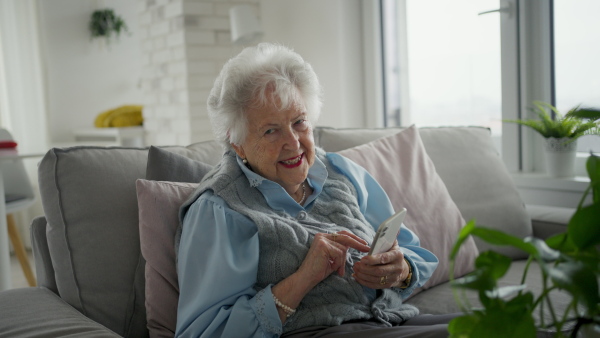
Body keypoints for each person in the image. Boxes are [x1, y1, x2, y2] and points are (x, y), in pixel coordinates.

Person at [175, 43, 453, 338]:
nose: (293, 143)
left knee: (497, 324)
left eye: (299, 122)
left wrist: (401, 270)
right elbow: (203, 332)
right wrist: (304, 278)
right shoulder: (220, 209)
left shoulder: (341, 171)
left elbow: (415, 253)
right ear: (237, 143)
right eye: (271, 130)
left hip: (390, 320)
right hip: (319, 332)